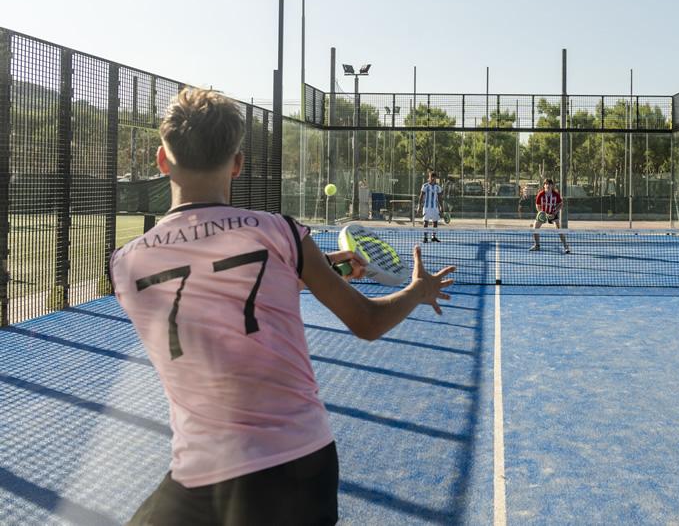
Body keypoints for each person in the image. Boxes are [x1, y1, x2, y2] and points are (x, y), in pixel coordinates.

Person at [111, 88, 455, 525]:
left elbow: (205, 277)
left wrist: (311, 266)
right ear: (237, 163)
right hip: (300, 465)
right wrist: (417, 291)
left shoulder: (125, 264)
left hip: (202, 475)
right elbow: (367, 322)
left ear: (161, 160)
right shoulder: (281, 233)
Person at [530, 177, 570, 253]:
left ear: (552, 185)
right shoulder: (540, 194)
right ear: (544, 185)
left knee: (560, 230)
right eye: (546, 184)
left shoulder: (556, 195)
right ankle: (537, 245)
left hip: (553, 214)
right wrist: (541, 213)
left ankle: (566, 247)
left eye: (550, 184)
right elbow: (537, 205)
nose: (548, 185)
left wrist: (555, 212)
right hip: (543, 214)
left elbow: (561, 204)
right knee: (535, 228)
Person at [418, 171, 444, 243]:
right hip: (426, 207)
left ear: (436, 178)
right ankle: (425, 237)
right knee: (425, 222)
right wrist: (419, 206)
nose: (433, 178)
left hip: (435, 208)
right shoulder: (425, 186)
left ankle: (433, 236)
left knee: (435, 222)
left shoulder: (438, 187)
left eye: (434, 177)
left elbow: (440, 198)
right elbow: (421, 196)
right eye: (431, 177)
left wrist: (442, 207)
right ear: (429, 177)